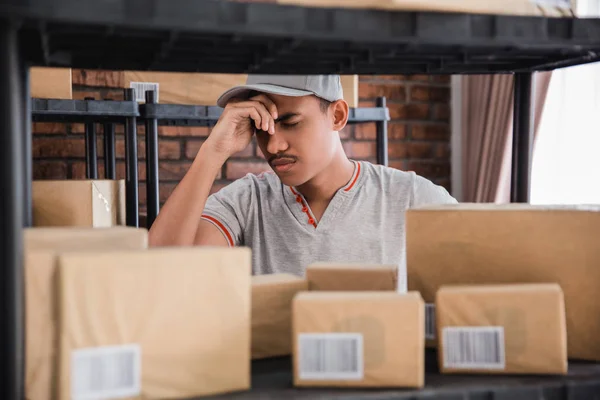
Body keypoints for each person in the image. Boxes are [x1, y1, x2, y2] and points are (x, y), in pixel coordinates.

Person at [149, 74, 457, 284]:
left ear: (337, 115)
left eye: (290, 122)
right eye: (261, 128)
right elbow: (160, 273)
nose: (273, 146)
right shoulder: (246, 202)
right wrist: (213, 152)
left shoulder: (411, 197)